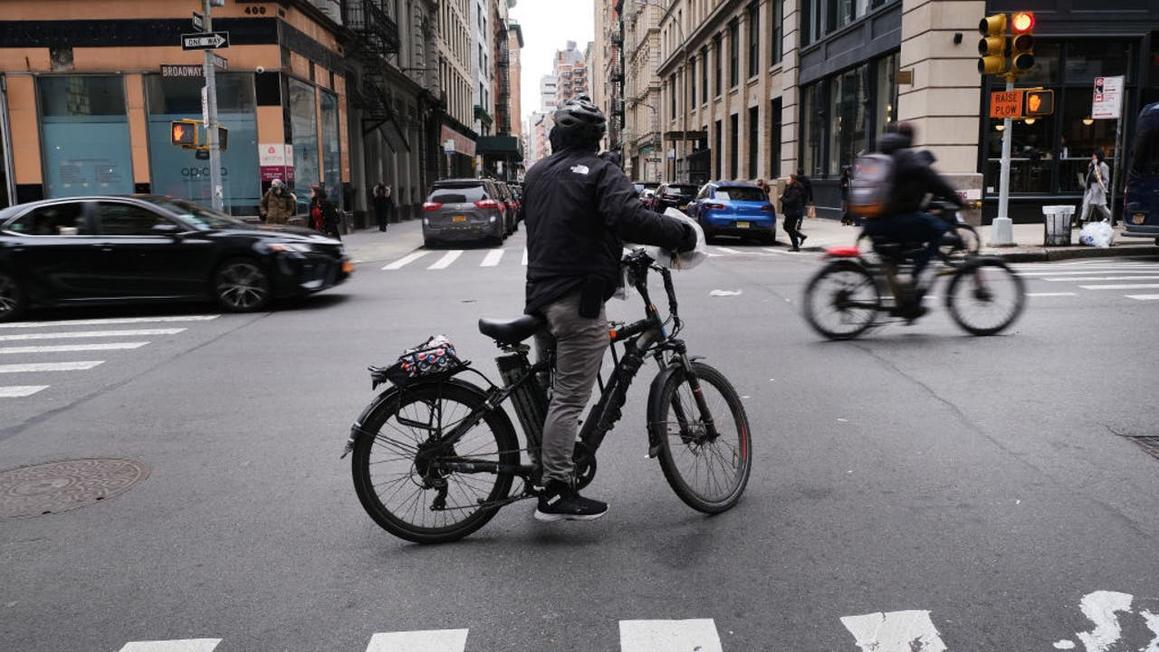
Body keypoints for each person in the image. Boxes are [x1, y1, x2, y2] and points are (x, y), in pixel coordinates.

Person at [522, 95, 697, 522]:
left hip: (539, 297)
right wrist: (681, 234)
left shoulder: (537, 172)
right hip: (576, 299)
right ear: (598, 138)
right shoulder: (602, 171)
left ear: (558, 136)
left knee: (548, 392)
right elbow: (629, 218)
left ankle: (543, 466)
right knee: (569, 397)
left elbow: (566, 225)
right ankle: (557, 490)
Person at [862, 121, 963, 317]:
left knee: (902, 251)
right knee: (938, 229)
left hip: (874, 220)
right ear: (909, 139)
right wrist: (957, 198)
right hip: (891, 219)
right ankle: (913, 279)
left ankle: (905, 302)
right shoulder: (906, 156)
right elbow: (932, 179)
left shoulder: (883, 156)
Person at [1079, 149, 1112, 227]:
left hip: (1097, 188)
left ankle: (1082, 220)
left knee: (1089, 204)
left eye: (1094, 155)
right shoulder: (1092, 164)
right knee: (1100, 206)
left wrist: (1100, 185)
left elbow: (1106, 179)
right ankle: (1111, 217)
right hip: (1091, 187)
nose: (1092, 157)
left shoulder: (1103, 166)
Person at [780, 174, 807, 251]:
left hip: (794, 212)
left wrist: (782, 198)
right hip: (790, 212)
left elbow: (789, 202)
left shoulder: (795, 190)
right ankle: (801, 237)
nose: (786, 180)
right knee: (787, 227)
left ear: (792, 180)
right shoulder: (789, 188)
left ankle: (796, 246)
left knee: (789, 228)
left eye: (788, 179)